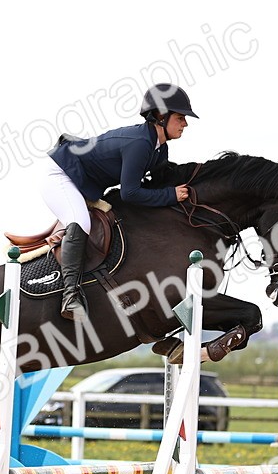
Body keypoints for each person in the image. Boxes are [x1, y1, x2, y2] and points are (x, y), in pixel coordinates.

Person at [42, 83, 197, 321]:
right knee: (80, 220)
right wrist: (170, 195)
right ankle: (70, 296)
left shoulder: (158, 148)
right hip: (61, 174)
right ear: (160, 117)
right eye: (180, 117)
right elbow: (130, 193)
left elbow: (158, 179)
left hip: (82, 180)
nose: (185, 123)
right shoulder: (140, 144)